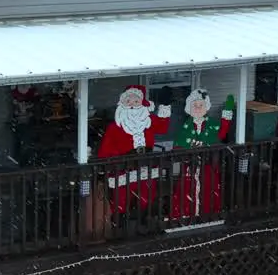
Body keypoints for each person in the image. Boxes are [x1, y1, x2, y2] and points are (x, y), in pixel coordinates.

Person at [96, 85, 172, 213]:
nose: (132, 105)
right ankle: (120, 220)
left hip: (145, 163)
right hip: (123, 165)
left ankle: (144, 218)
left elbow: (162, 127)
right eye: (128, 101)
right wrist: (107, 165)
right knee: (121, 197)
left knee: (146, 194)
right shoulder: (115, 127)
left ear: (141, 104)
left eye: (136, 101)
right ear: (122, 103)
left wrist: (165, 104)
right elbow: (106, 148)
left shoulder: (148, 121)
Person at [172, 88, 231, 220]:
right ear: (190, 108)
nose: (198, 108)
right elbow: (178, 145)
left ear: (206, 107)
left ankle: (209, 213)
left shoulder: (212, 125)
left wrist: (227, 111)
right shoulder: (185, 127)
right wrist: (188, 151)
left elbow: (222, 133)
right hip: (189, 167)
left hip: (208, 165)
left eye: (201, 105)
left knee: (209, 188)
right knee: (186, 189)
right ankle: (184, 214)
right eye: (195, 105)